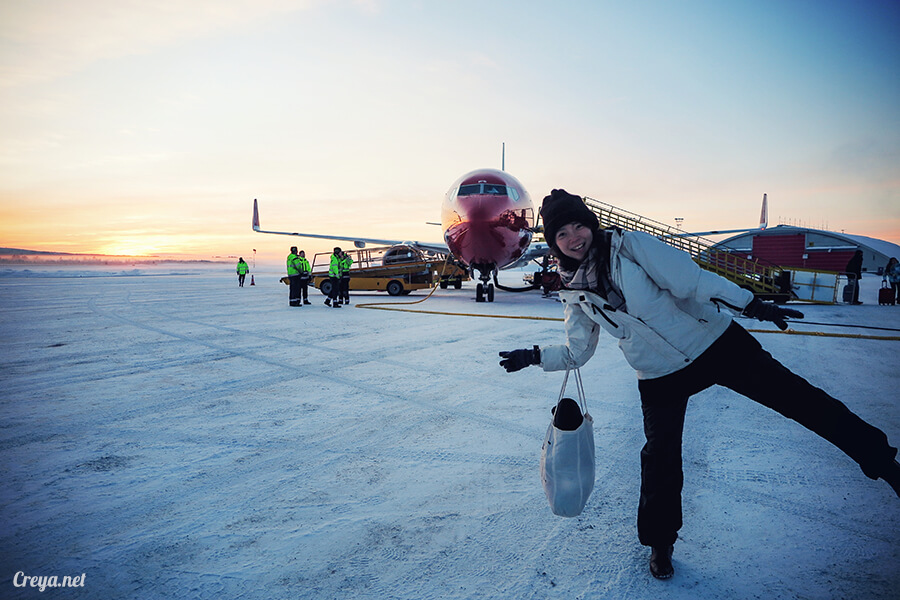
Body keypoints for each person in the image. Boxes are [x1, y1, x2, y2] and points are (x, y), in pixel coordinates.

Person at [499, 189, 900, 580]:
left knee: (800, 400)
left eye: (576, 226)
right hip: (657, 372)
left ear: (589, 224)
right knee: (659, 458)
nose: (573, 239)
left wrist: (752, 303)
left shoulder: (630, 247)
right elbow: (577, 350)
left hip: (712, 342)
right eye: (561, 235)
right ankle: (661, 544)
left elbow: (692, 281)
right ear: (553, 244)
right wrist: (534, 356)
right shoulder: (575, 291)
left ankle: (883, 463)